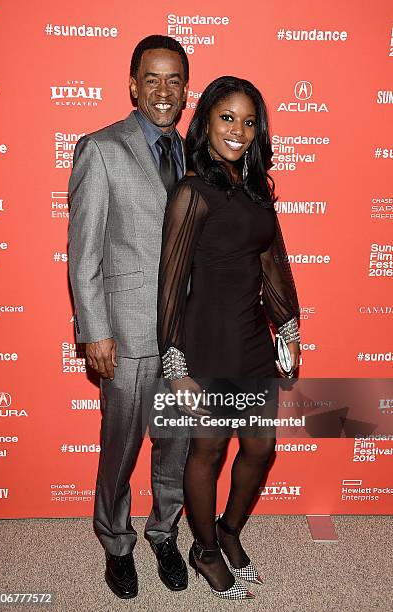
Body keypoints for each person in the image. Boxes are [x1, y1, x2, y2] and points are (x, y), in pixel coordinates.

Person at [157, 76, 301, 600]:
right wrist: (176, 363)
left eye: (247, 121)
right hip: (207, 338)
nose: (237, 130)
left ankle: (229, 530)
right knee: (210, 450)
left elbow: (272, 260)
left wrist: (288, 326)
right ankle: (205, 551)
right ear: (206, 123)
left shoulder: (257, 186)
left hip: (253, 336)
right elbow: (170, 283)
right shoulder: (192, 192)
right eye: (226, 118)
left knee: (261, 447)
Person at [68, 35, 190, 599]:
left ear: (185, 90)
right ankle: (116, 542)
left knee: (177, 442)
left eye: (174, 80)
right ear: (134, 86)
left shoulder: (197, 153)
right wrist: (94, 330)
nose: (163, 91)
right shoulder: (102, 148)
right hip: (128, 331)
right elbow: (84, 252)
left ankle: (163, 531)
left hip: (187, 336)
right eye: (153, 79)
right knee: (120, 448)